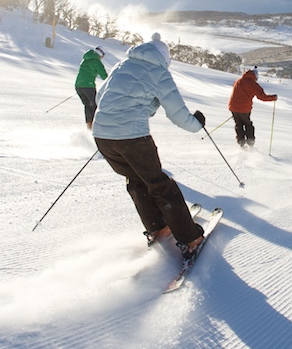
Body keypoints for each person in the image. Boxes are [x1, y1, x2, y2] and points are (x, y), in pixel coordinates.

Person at [93, 33, 207, 258]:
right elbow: (178, 114)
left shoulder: (122, 64)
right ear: (165, 58)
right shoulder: (159, 72)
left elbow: (99, 99)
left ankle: (158, 227)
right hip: (132, 138)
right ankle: (190, 237)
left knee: (137, 181)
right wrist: (197, 124)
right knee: (160, 185)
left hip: (102, 136)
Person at [228, 66, 277, 148]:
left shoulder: (238, 81)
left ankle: (241, 143)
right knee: (248, 124)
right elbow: (262, 97)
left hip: (233, 107)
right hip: (244, 108)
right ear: (255, 76)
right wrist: (273, 98)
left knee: (238, 124)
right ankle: (250, 144)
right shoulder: (253, 84)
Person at [75, 46, 108, 129]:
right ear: (100, 54)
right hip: (88, 86)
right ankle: (96, 127)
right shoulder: (96, 61)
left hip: (78, 86)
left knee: (87, 105)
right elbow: (104, 76)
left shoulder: (85, 59)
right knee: (94, 105)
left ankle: (89, 126)